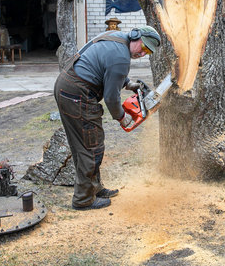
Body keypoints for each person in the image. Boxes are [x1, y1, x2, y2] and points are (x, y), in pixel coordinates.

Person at [54, 26, 161, 210]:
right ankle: (83, 199)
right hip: (78, 93)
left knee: (84, 144)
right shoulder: (122, 58)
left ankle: (93, 188)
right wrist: (122, 117)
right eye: (143, 48)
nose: (142, 54)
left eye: (147, 52)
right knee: (91, 145)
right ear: (135, 36)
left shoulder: (117, 37)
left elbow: (107, 66)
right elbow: (112, 98)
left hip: (67, 87)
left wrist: (127, 83)